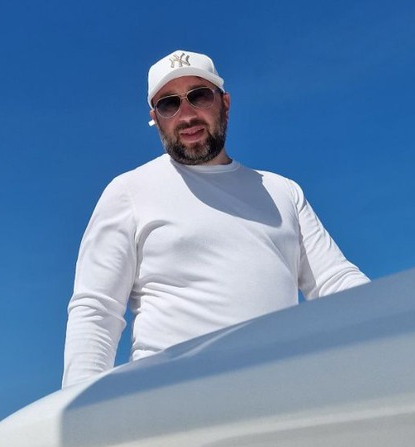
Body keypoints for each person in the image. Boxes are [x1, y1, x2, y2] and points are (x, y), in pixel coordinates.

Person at [62, 50, 369, 388]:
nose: (186, 114)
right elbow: (97, 309)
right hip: (169, 399)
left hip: (281, 395)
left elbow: (335, 282)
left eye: (199, 96)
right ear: (155, 118)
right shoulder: (129, 191)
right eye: (168, 104)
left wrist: (397, 320)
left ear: (225, 102)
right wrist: (76, 406)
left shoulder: (282, 192)